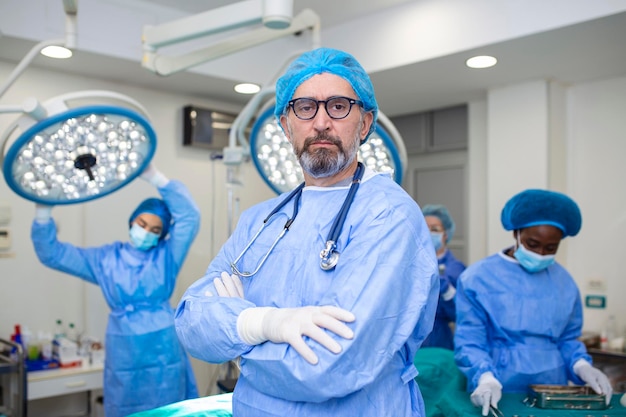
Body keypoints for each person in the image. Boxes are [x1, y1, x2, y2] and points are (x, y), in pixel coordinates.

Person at [174, 47, 439, 417]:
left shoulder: (389, 216)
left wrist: (237, 336)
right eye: (305, 107)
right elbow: (190, 320)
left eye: (338, 106)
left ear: (364, 123)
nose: (321, 122)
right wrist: (266, 324)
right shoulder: (260, 220)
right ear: (286, 125)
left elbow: (327, 366)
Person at [31, 163, 200, 417]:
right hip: (124, 349)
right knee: (125, 407)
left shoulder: (167, 255)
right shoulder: (106, 259)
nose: (146, 233)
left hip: (163, 345)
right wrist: (43, 212)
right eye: (142, 224)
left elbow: (190, 217)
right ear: (132, 221)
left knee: (168, 409)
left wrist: (156, 177)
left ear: (163, 234)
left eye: (155, 230)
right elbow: (53, 254)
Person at [454, 189, 613, 416]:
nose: (540, 253)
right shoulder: (478, 278)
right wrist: (485, 377)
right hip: (498, 386)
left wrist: (582, 366)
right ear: (516, 234)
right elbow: (470, 341)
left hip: (552, 386)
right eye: (532, 244)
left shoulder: (564, 283)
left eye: (551, 248)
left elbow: (567, 339)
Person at [420, 204, 465, 350]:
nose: (429, 233)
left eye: (435, 229)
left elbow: (461, 313)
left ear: (446, 234)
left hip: (438, 340)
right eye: (425, 228)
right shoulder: (410, 265)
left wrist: (447, 292)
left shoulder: (456, 269)